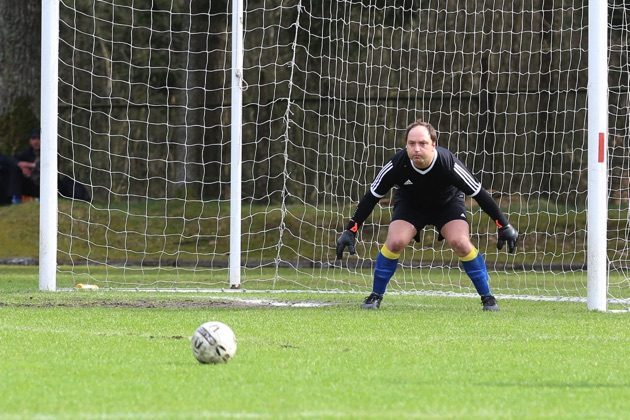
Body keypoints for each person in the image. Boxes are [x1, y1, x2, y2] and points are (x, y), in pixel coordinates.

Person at [336, 120, 519, 311]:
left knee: (460, 243)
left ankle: (488, 298)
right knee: (395, 242)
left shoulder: (448, 164)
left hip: (447, 205)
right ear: (406, 145)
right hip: (410, 206)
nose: (416, 148)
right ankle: (375, 296)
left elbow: (480, 194)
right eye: (411, 143)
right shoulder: (397, 164)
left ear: (434, 144)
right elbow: (371, 197)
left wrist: (503, 225)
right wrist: (351, 230)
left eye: (422, 143)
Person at [13, 128, 41, 201]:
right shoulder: (27, 152)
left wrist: (30, 165)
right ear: (30, 141)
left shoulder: (50, 151)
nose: (36, 141)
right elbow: (14, 160)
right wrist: (22, 167)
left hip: (44, 183)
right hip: (30, 184)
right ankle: (16, 199)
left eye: (39, 138)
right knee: (15, 170)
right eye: (34, 138)